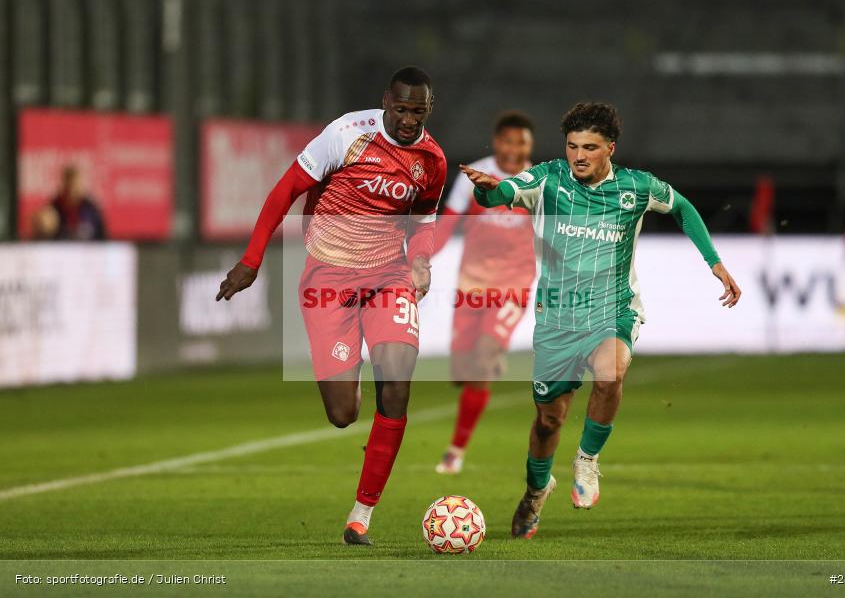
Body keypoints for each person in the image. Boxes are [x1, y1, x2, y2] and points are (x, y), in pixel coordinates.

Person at [460, 102, 741, 538]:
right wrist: (485, 190)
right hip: (558, 318)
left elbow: (683, 207)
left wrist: (715, 263)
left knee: (611, 371)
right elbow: (502, 194)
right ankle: (536, 491)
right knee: (548, 421)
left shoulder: (636, 187)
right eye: (572, 146)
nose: (578, 156)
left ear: (610, 148)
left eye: (589, 147)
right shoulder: (548, 179)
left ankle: (587, 460)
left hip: (613, 309)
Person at [216, 66, 447, 546]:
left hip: (388, 276)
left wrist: (421, 261)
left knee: (397, 386)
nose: (408, 120)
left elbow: (424, 220)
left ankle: (361, 514)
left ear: (429, 109)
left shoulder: (432, 160)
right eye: (401, 109)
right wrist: (251, 260)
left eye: (418, 111)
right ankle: (351, 364)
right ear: (386, 102)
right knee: (342, 414)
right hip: (328, 279)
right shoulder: (346, 135)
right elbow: (284, 192)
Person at [432, 111, 537, 474]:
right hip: (472, 284)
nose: (514, 148)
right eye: (508, 141)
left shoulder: (538, 183)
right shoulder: (474, 175)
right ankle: (488, 356)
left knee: (482, 360)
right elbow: (447, 224)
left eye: (521, 142)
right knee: (461, 372)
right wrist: (420, 259)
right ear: (496, 142)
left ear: (530, 146)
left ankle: (455, 450)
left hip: (513, 285)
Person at [33, 165, 106, 240]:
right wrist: (44, 229)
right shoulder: (53, 209)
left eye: (77, 184)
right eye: (70, 184)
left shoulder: (91, 210)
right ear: (64, 184)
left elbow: (104, 238)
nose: (73, 189)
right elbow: (40, 239)